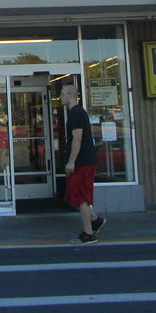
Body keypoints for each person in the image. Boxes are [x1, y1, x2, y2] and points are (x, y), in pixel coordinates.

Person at [60, 84, 107, 243]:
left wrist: (71, 161)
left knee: (80, 197)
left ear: (70, 95)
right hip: (84, 161)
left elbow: (77, 138)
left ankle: (89, 233)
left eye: (62, 94)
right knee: (77, 195)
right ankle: (95, 220)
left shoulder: (76, 113)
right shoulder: (76, 113)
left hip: (82, 162)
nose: (60, 97)